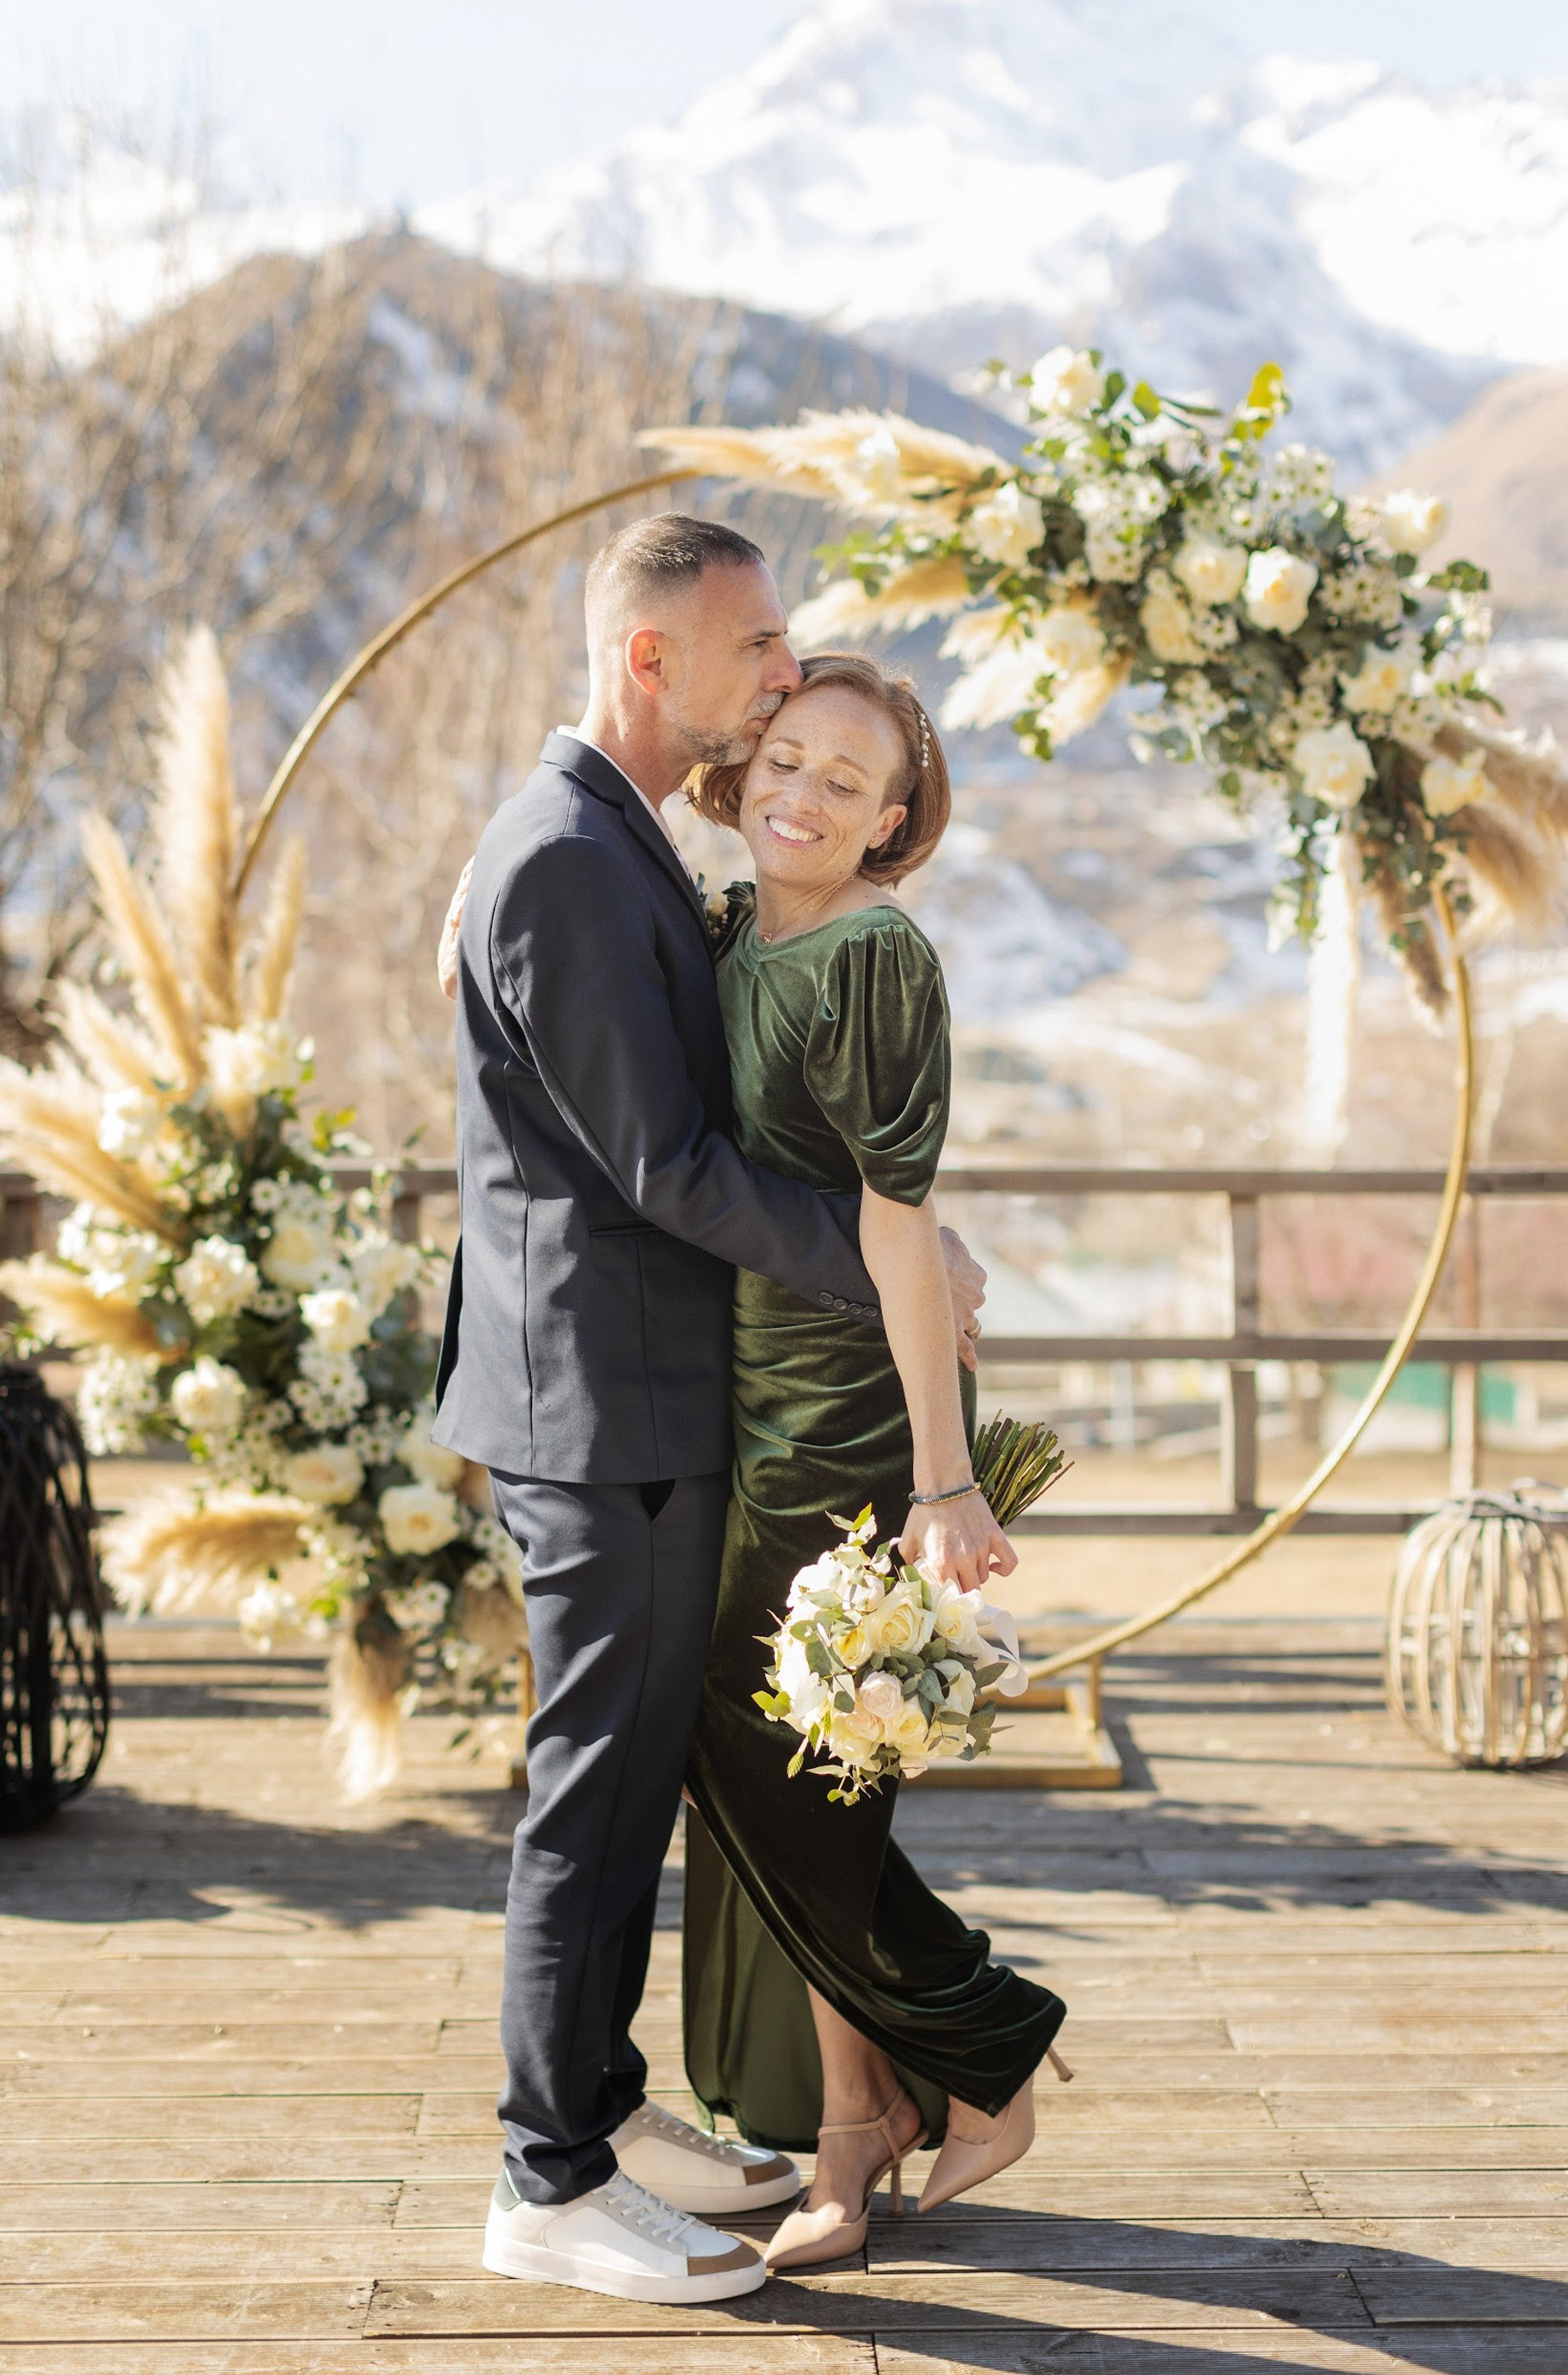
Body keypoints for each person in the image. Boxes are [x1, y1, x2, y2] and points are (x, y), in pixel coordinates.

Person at [433, 513, 986, 2308]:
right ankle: (548, 2181)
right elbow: (665, 1163)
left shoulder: (611, 843)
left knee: (644, 1773)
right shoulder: (566, 862)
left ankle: (603, 2108)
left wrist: (915, 1235)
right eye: (758, 652)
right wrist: (885, 1260)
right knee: (593, 1794)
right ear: (651, 662)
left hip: (652, 1393)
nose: (779, 677)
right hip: (605, 1402)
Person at [676, 652, 1067, 2272]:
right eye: (790, 755)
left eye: (850, 781)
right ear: (745, 757)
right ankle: (870, 2109)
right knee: (761, 1768)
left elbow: (900, 1236)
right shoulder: (716, 931)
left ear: (897, 821)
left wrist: (942, 1479)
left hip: (840, 1416)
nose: (806, 791)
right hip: (723, 1404)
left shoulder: (878, 960)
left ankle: (971, 2055)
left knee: (803, 1767)